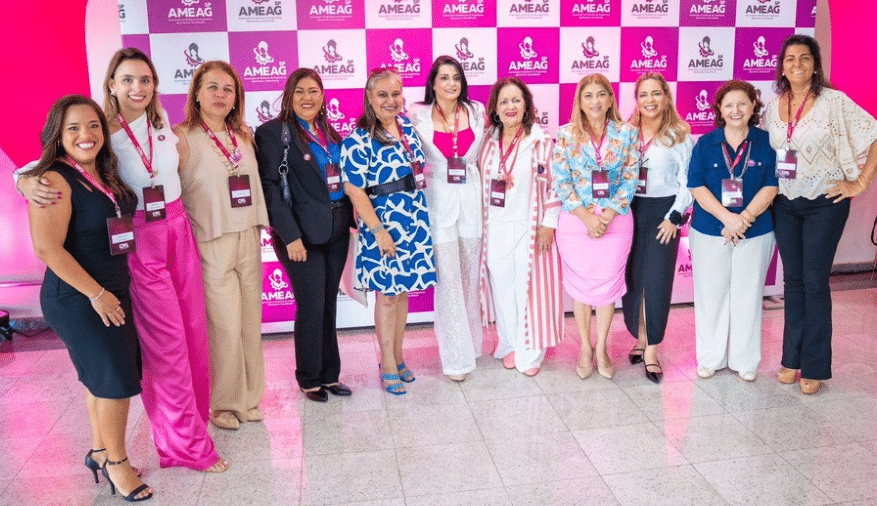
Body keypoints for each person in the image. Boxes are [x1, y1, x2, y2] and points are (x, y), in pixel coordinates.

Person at [16, 49, 228, 473]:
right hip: (139, 243)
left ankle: (196, 423)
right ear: (111, 84)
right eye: (127, 79)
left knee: (191, 334)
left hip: (178, 233)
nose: (137, 88)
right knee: (165, 347)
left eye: (145, 80)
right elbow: (40, 168)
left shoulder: (163, 126)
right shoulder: (99, 131)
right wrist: (23, 180)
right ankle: (183, 445)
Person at [26, 95, 152, 501]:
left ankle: (100, 451)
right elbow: (48, 249)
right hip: (81, 295)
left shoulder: (103, 173)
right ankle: (118, 464)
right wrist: (97, 294)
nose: (86, 134)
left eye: (94, 125)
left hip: (111, 287)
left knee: (101, 377)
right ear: (58, 136)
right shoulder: (53, 179)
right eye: (74, 128)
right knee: (116, 381)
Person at [765, 34, 877, 394]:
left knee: (814, 282)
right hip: (785, 203)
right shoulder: (773, 107)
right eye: (789, 59)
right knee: (793, 281)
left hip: (824, 203)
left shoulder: (834, 102)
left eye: (804, 58)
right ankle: (790, 360)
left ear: (815, 64)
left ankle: (814, 365)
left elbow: (873, 134)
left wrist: (859, 183)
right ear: (781, 66)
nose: (796, 64)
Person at [175, 61, 269, 428]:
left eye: (228, 89)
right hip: (211, 240)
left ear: (236, 98)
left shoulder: (242, 134)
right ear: (196, 93)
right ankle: (224, 404)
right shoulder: (181, 137)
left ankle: (249, 398)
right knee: (225, 326)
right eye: (212, 87)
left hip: (248, 235)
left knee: (249, 323)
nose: (220, 95)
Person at [255, 68, 354, 402]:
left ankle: (330, 374)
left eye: (313, 91)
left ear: (323, 95)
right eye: (299, 92)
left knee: (328, 304)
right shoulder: (273, 133)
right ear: (288, 96)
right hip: (300, 236)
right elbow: (269, 188)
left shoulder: (330, 132)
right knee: (311, 305)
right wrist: (290, 236)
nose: (307, 98)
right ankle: (309, 376)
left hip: (337, 230)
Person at [341, 68, 437, 395]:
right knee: (387, 297)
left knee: (403, 292)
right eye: (382, 94)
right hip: (383, 225)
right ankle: (388, 363)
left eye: (395, 94)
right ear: (370, 98)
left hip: (414, 219)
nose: (390, 100)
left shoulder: (408, 127)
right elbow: (354, 190)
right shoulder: (359, 139)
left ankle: (396, 356)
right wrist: (379, 230)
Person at [687, 79, 778, 382]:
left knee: (748, 294)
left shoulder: (766, 141)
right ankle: (710, 357)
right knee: (710, 294)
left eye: (742, 103)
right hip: (710, 228)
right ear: (720, 110)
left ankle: (745, 359)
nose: (736, 110)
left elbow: (772, 184)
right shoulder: (706, 143)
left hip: (756, 230)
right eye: (729, 105)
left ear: (754, 106)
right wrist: (728, 217)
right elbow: (696, 186)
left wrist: (745, 217)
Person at [552, 73, 640, 380]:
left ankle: (601, 346)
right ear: (579, 100)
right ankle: (584, 349)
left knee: (606, 288)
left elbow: (631, 179)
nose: (595, 101)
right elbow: (561, 182)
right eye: (588, 95)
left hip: (615, 222)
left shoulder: (628, 133)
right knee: (581, 289)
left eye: (601, 94)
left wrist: (606, 216)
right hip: (576, 222)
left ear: (611, 98)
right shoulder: (565, 134)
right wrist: (588, 217)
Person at [407, 56, 486, 382]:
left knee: (469, 279)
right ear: (433, 83)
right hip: (437, 206)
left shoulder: (477, 111)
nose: (451, 83)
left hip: (471, 204)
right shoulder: (417, 114)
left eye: (456, 77)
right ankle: (455, 359)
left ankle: (472, 347)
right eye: (444, 78)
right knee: (449, 282)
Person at [479, 76, 563, 377]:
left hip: (530, 229)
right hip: (495, 229)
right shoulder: (487, 141)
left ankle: (531, 352)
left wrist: (548, 224)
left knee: (528, 290)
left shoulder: (541, 141)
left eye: (516, 100)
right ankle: (510, 343)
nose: (510, 106)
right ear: (495, 108)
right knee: (502, 289)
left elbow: (556, 186)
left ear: (526, 105)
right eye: (504, 101)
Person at [621, 72, 694, 384]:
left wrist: (674, 217)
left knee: (657, 282)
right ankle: (639, 336)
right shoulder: (626, 132)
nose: (649, 100)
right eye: (643, 94)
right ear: (636, 100)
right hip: (628, 211)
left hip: (664, 215)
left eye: (656, 94)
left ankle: (651, 349)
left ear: (666, 97)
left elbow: (689, 182)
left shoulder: (679, 134)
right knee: (633, 280)